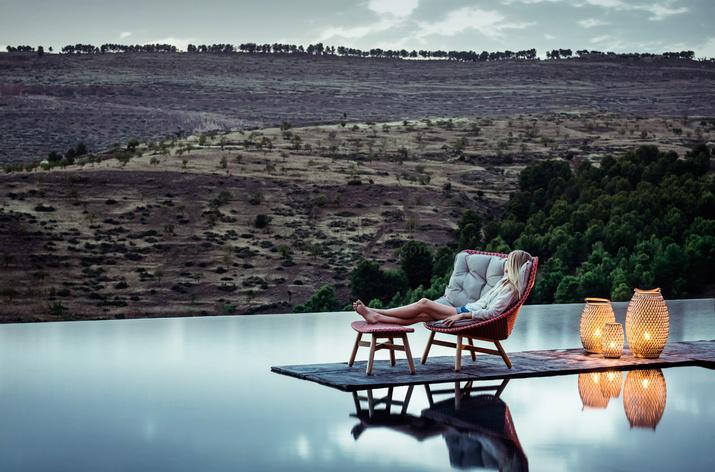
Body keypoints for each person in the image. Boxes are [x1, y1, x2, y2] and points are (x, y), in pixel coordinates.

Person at [353, 250, 532, 327]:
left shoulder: (510, 289)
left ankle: (376, 311)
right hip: (467, 309)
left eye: (508, 262)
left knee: (424, 303)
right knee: (422, 316)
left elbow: (493, 313)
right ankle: (376, 317)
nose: (504, 265)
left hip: (466, 313)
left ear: (514, 266)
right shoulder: (504, 283)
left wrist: (462, 315)